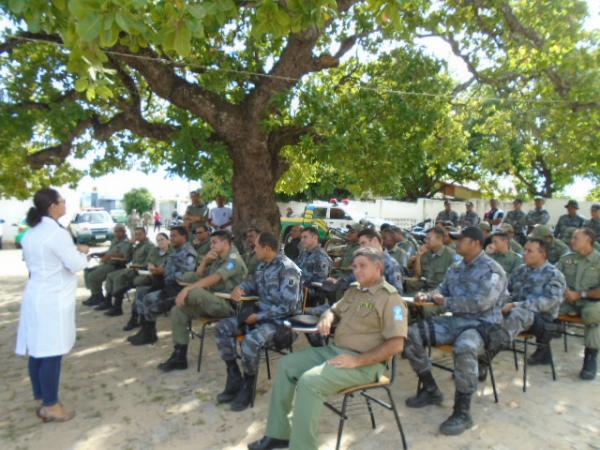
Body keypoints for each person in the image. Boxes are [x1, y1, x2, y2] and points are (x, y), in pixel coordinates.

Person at [247, 247, 408, 450]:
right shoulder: (354, 290)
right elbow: (334, 309)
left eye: (363, 266)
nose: (357, 270)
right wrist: (328, 317)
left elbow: (396, 344)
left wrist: (357, 361)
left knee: (309, 382)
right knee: (287, 364)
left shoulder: (391, 299)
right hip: (337, 352)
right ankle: (278, 434)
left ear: (378, 267)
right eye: (355, 266)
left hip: (366, 364)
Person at [404, 226, 508, 436]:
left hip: (482, 324)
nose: (456, 242)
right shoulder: (457, 267)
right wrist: (428, 296)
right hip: (456, 321)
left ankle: (462, 412)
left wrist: (447, 302)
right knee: (411, 334)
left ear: (476, 243)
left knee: (465, 347)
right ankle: (431, 389)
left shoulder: (492, 270)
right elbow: (442, 289)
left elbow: (482, 303)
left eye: (461, 239)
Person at [16, 188, 89, 422]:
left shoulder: (32, 232)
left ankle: (41, 396)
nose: (65, 204)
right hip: (52, 299)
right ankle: (51, 404)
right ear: (53, 206)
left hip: (36, 294)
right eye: (62, 200)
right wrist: (84, 253)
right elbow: (75, 265)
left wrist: (72, 251)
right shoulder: (57, 233)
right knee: (51, 353)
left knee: (37, 350)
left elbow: (46, 259)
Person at [214, 232, 302, 412]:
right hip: (259, 316)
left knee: (250, 341)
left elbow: (289, 307)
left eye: (256, 246)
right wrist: (239, 289)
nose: (254, 249)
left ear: (267, 248)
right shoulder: (263, 266)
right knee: (222, 328)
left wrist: (259, 317)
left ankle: (248, 385)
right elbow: (251, 283)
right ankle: (233, 377)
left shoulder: (288, 269)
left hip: (282, 324)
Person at [158, 231, 247, 372]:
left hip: (229, 306)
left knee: (195, 291)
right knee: (178, 311)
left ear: (225, 243)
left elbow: (216, 278)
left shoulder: (233, 260)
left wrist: (187, 290)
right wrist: (205, 261)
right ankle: (179, 356)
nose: (211, 246)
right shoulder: (218, 258)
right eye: (211, 243)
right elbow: (199, 275)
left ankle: (170, 301)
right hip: (212, 302)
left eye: (214, 242)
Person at [127, 226, 197, 345]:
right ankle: (147, 331)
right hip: (167, 286)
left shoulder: (188, 253)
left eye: (174, 236)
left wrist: (165, 272)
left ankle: (149, 334)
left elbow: (187, 275)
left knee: (150, 302)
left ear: (184, 237)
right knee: (143, 295)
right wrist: (159, 269)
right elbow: (168, 265)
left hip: (179, 290)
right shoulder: (177, 250)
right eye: (171, 236)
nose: (172, 239)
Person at [501, 238, 566, 365]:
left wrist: (515, 305)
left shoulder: (554, 275)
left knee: (519, 314)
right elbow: (506, 291)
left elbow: (548, 302)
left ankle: (485, 358)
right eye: (525, 249)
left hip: (542, 319)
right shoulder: (520, 270)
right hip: (517, 313)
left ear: (543, 254)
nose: (525, 253)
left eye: (529, 251)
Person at [557, 228, 600, 380]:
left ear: (588, 240)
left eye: (576, 238)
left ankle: (590, 358)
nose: (572, 241)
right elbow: (554, 277)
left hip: (591, 302)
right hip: (569, 300)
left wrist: (580, 294)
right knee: (545, 308)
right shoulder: (567, 258)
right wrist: (565, 291)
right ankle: (543, 350)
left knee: (593, 317)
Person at [99, 227, 156, 316]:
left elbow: (149, 262)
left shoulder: (149, 246)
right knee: (110, 276)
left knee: (119, 279)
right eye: (135, 234)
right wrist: (130, 245)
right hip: (132, 268)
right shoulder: (137, 245)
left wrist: (137, 266)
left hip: (140, 270)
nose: (137, 236)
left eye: (140, 234)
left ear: (145, 234)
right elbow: (127, 257)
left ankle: (117, 307)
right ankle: (108, 301)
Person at [123, 232, 171, 331]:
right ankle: (136, 317)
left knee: (143, 291)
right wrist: (150, 265)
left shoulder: (172, 253)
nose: (160, 242)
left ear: (168, 241)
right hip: (153, 278)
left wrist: (158, 269)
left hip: (165, 281)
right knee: (140, 290)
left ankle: (140, 319)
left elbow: (168, 269)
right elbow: (149, 262)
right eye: (158, 240)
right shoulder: (155, 250)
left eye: (162, 239)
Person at [82, 224, 132, 307]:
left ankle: (97, 297)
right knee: (87, 271)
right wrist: (98, 254)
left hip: (116, 265)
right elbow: (109, 252)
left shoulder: (126, 242)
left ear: (123, 232)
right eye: (115, 232)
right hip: (107, 263)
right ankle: (96, 295)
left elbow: (124, 256)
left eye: (118, 232)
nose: (116, 234)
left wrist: (109, 257)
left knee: (92, 276)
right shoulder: (115, 240)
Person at [405, 227, 459, 293]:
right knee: (404, 282)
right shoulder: (426, 252)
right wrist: (418, 256)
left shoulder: (450, 255)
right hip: (425, 286)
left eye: (429, 239)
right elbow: (418, 276)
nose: (426, 241)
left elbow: (453, 282)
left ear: (439, 239)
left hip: (439, 290)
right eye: (426, 238)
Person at [296, 227, 333, 302]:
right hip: (298, 288)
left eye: (305, 237)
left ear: (315, 238)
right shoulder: (304, 253)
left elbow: (319, 283)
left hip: (311, 293)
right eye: (301, 237)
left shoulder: (321, 257)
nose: (302, 240)